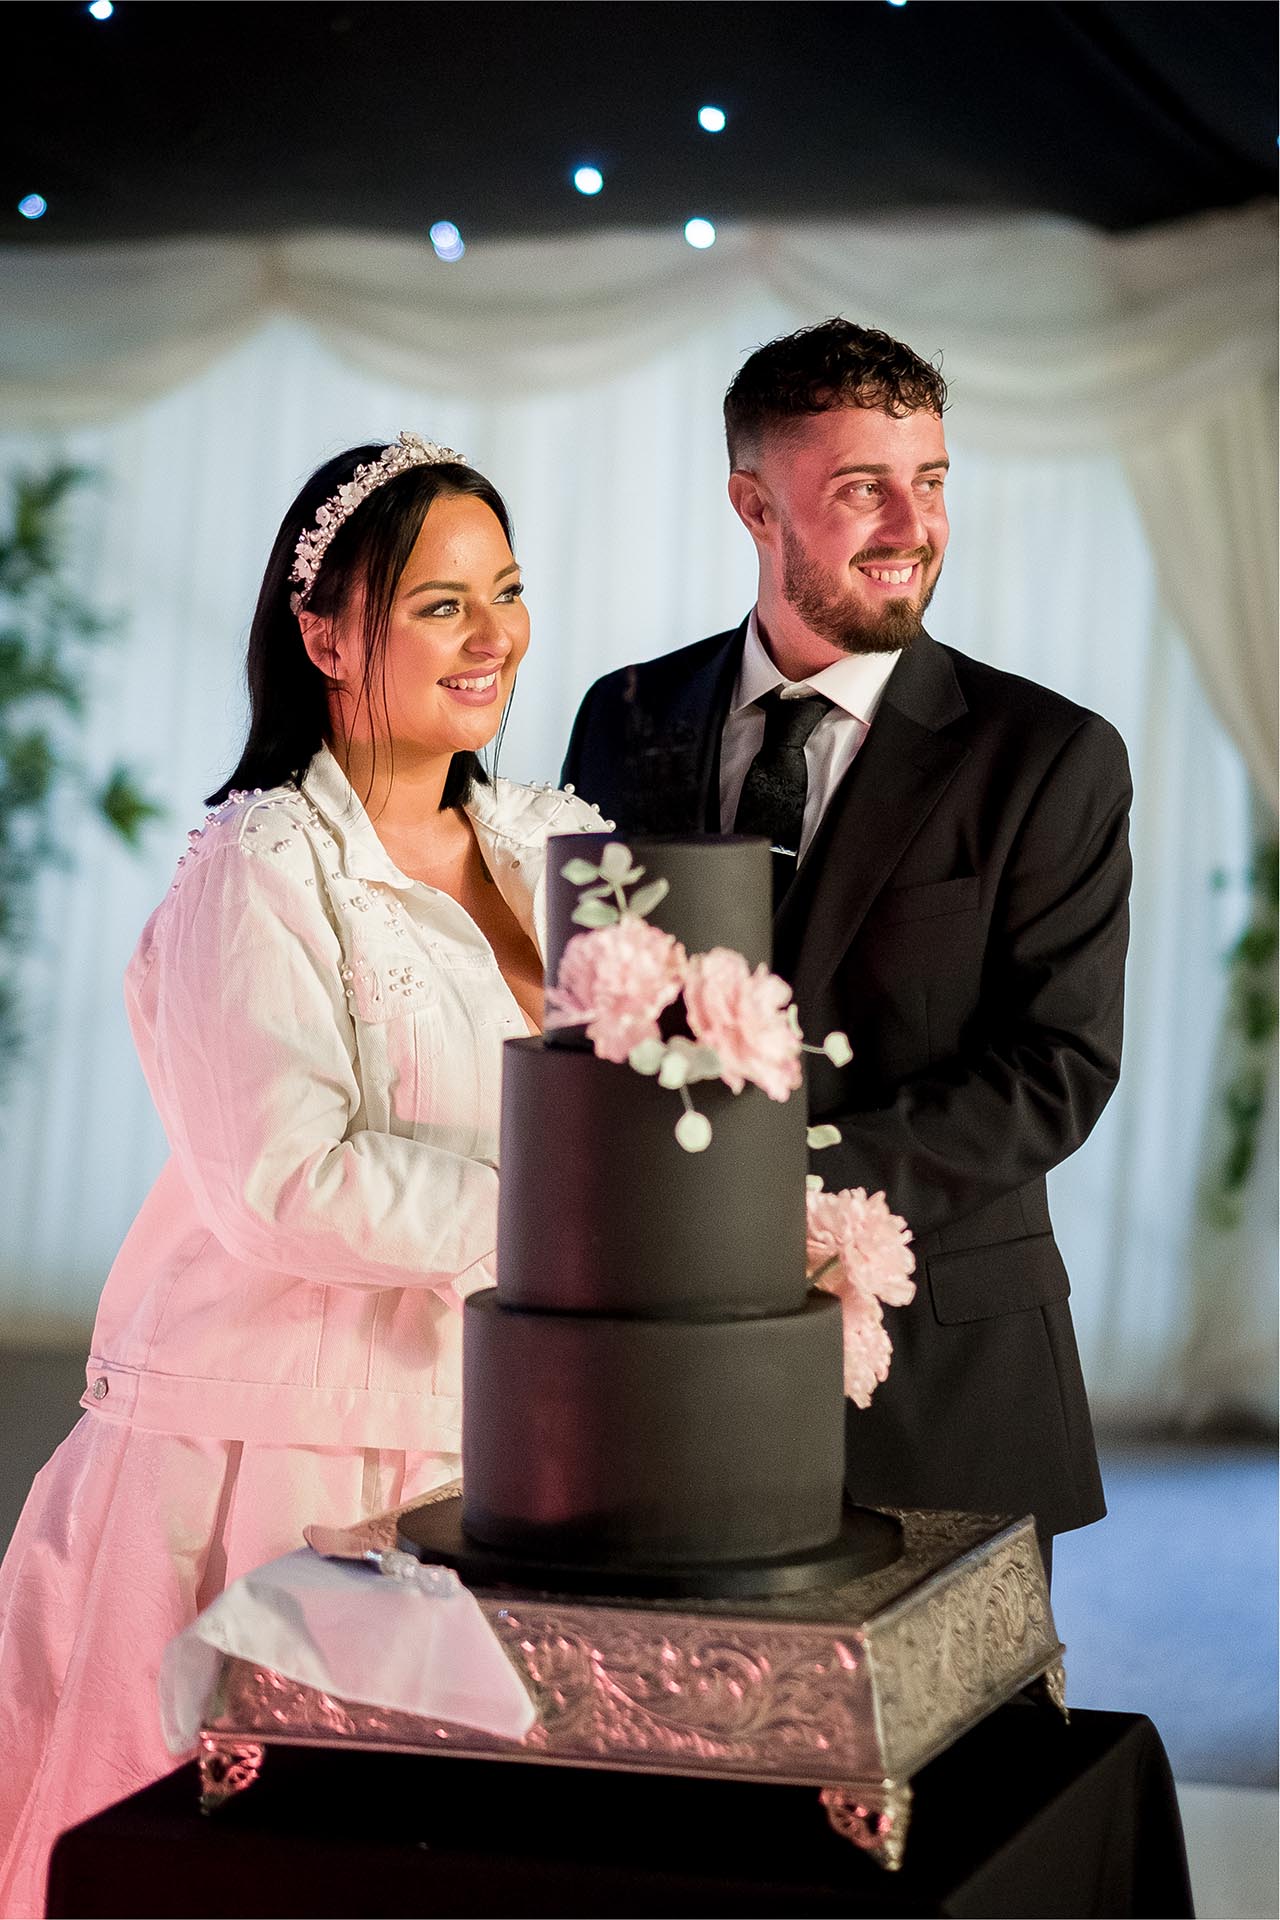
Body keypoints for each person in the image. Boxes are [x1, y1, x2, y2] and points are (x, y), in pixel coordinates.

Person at [0, 432, 601, 1915]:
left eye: (507, 592)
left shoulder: (559, 842)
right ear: (325, 634)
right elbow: (284, 1177)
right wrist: (587, 1229)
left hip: (511, 1431)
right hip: (281, 1455)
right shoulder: (258, 864)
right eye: (441, 604)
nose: (496, 637)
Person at [562, 320, 1132, 1575]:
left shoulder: (1047, 757)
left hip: (940, 1378)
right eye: (860, 487)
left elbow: (1056, 1070)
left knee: (967, 1765)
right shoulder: (624, 717)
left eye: (929, 481)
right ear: (752, 505)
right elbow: (581, 1013)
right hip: (664, 1361)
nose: (911, 524)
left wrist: (776, 1186)